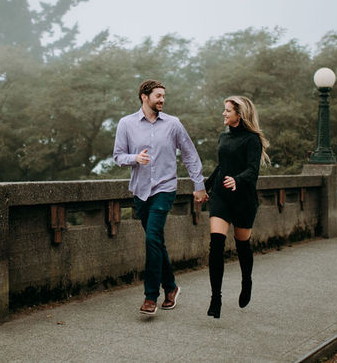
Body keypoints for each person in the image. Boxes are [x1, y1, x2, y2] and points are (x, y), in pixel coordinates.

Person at [113, 79, 208, 316]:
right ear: (144, 97)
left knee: (152, 238)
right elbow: (118, 156)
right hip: (140, 191)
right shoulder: (126, 124)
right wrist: (135, 158)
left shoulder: (173, 124)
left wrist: (199, 185)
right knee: (155, 241)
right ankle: (172, 287)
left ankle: (150, 297)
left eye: (164, 96)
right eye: (158, 96)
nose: (162, 100)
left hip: (165, 189)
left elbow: (190, 155)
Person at [205, 95, 270, 319]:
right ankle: (216, 298)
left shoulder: (252, 139)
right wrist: (205, 187)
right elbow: (222, 166)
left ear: (239, 115)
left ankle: (246, 281)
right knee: (216, 244)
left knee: (242, 245)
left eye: (227, 110)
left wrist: (237, 180)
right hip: (221, 196)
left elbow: (253, 170)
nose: (223, 113)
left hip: (243, 199)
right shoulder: (224, 137)